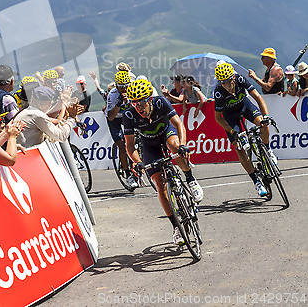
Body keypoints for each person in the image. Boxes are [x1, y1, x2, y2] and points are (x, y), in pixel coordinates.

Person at [122, 78, 203, 246]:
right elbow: (129, 145)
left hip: (167, 133)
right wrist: (136, 162)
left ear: (150, 99)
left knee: (174, 147)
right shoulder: (129, 115)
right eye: (134, 103)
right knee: (159, 184)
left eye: (141, 103)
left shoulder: (160, 102)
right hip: (149, 145)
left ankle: (190, 178)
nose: (138, 107)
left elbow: (178, 123)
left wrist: (182, 145)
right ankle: (176, 227)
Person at [213, 62, 277, 197]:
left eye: (229, 81)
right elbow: (218, 118)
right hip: (230, 117)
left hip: (245, 107)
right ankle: (256, 181)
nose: (227, 85)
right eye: (223, 83)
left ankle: (268, 150)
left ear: (233, 77)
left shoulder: (241, 79)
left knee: (263, 124)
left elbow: (258, 97)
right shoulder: (218, 92)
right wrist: (232, 132)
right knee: (239, 147)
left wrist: (265, 116)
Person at [16, 86, 81, 147]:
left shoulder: (29, 111)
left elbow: (52, 137)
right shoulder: (36, 115)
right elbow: (61, 136)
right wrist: (71, 117)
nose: (50, 105)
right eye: (50, 102)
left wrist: (64, 108)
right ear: (46, 103)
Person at [105, 71, 138, 190]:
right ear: (117, 86)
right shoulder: (112, 94)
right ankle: (128, 174)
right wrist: (119, 103)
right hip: (114, 119)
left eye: (126, 86)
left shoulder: (131, 91)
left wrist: (128, 103)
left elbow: (134, 110)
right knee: (122, 146)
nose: (124, 89)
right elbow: (110, 116)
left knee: (135, 138)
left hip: (126, 116)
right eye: (121, 87)